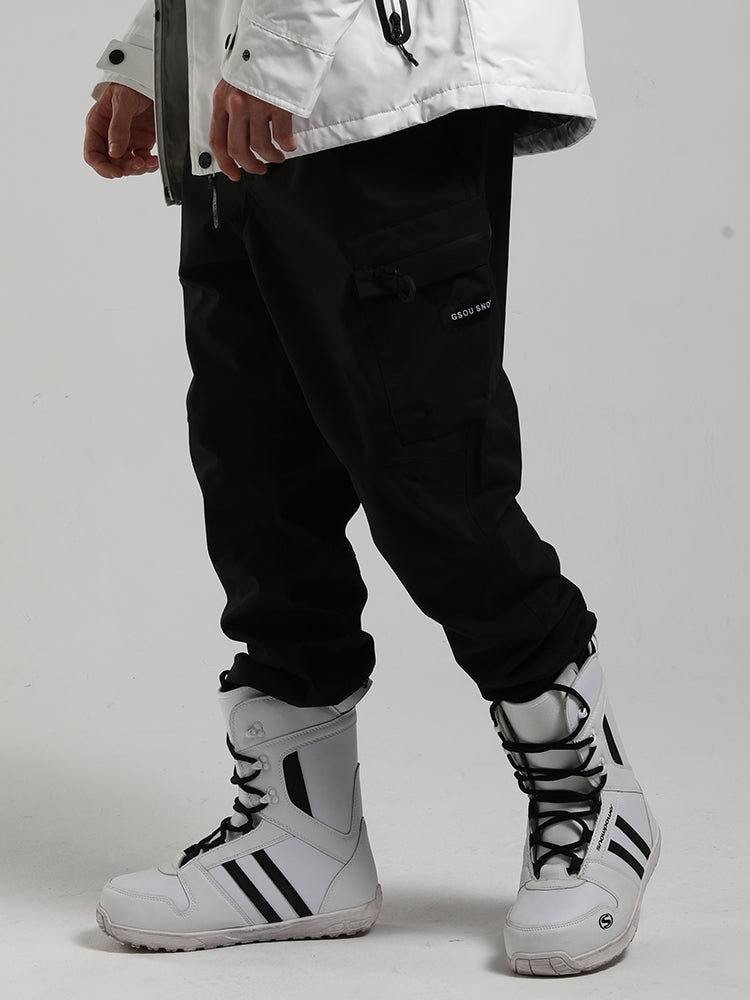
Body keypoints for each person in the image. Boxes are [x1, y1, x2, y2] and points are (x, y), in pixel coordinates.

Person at [83, 1, 660, 976]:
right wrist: (158, 55)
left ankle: (591, 795)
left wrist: (280, 46)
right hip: (243, 88)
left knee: (432, 478)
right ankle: (304, 839)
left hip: (382, 77)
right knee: (256, 472)